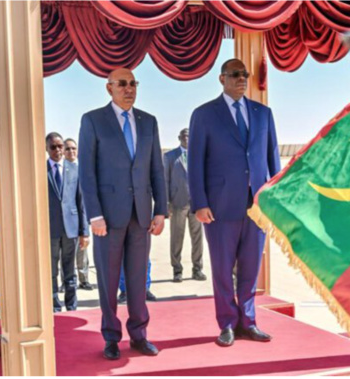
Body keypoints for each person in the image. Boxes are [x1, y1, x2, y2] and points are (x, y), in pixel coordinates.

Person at [188, 58, 281, 347]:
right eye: (235, 74)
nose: (242, 79)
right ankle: (227, 323)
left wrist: (274, 202)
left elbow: (272, 160)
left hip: (256, 208)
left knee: (251, 269)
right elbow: (195, 163)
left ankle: (249, 322)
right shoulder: (204, 114)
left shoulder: (263, 113)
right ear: (222, 79)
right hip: (219, 207)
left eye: (245, 75)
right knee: (222, 268)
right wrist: (199, 203)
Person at [79, 68, 167, 360]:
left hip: (141, 216)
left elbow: (156, 169)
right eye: (122, 84)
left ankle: (139, 335)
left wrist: (161, 211)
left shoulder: (148, 122)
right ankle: (111, 338)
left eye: (133, 83)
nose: (129, 89)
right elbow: (87, 173)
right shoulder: (93, 121)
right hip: (108, 218)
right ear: (109, 88)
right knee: (107, 279)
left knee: (138, 279)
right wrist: (94, 215)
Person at [46, 132, 89, 312]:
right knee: (51, 271)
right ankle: (54, 306)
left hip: (71, 229)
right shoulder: (41, 170)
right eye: (53, 147)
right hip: (50, 230)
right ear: (46, 149)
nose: (57, 150)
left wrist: (84, 231)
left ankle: (72, 306)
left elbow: (81, 202)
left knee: (69, 270)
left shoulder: (74, 170)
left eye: (60, 146)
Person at [164, 128, 206, 283]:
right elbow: (165, 181)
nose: (187, 138)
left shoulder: (199, 155)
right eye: (184, 135)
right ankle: (177, 270)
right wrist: (166, 204)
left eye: (190, 135)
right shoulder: (169, 156)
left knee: (197, 238)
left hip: (196, 204)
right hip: (177, 204)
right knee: (177, 238)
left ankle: (197, 269)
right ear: (179, 137)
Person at [63, 138, 93, 291]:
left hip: (82, 215)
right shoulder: (62, 168)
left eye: (73, 148)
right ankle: (66, 280)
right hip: (67, 218)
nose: (71, 151)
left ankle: (84, 279)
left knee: (83, 250)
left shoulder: (83, 167)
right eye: (67, 149)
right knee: (67, 253)